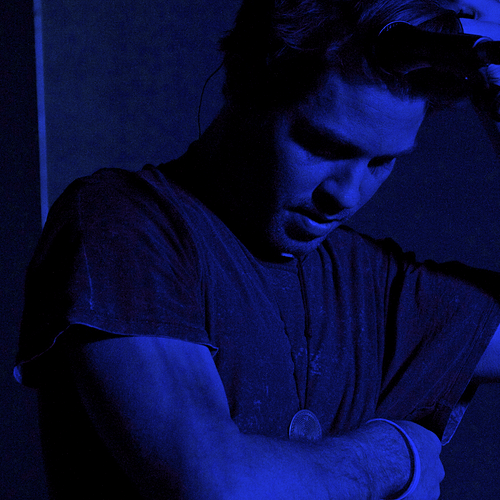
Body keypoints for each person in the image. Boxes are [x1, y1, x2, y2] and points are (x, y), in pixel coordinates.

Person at [14, 0, 500, 498]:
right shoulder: (123, 222)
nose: (346, 194)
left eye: (381, 163)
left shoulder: (373, 282)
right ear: (245, 86)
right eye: (324, 146)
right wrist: (389, 457)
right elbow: (216, 485)